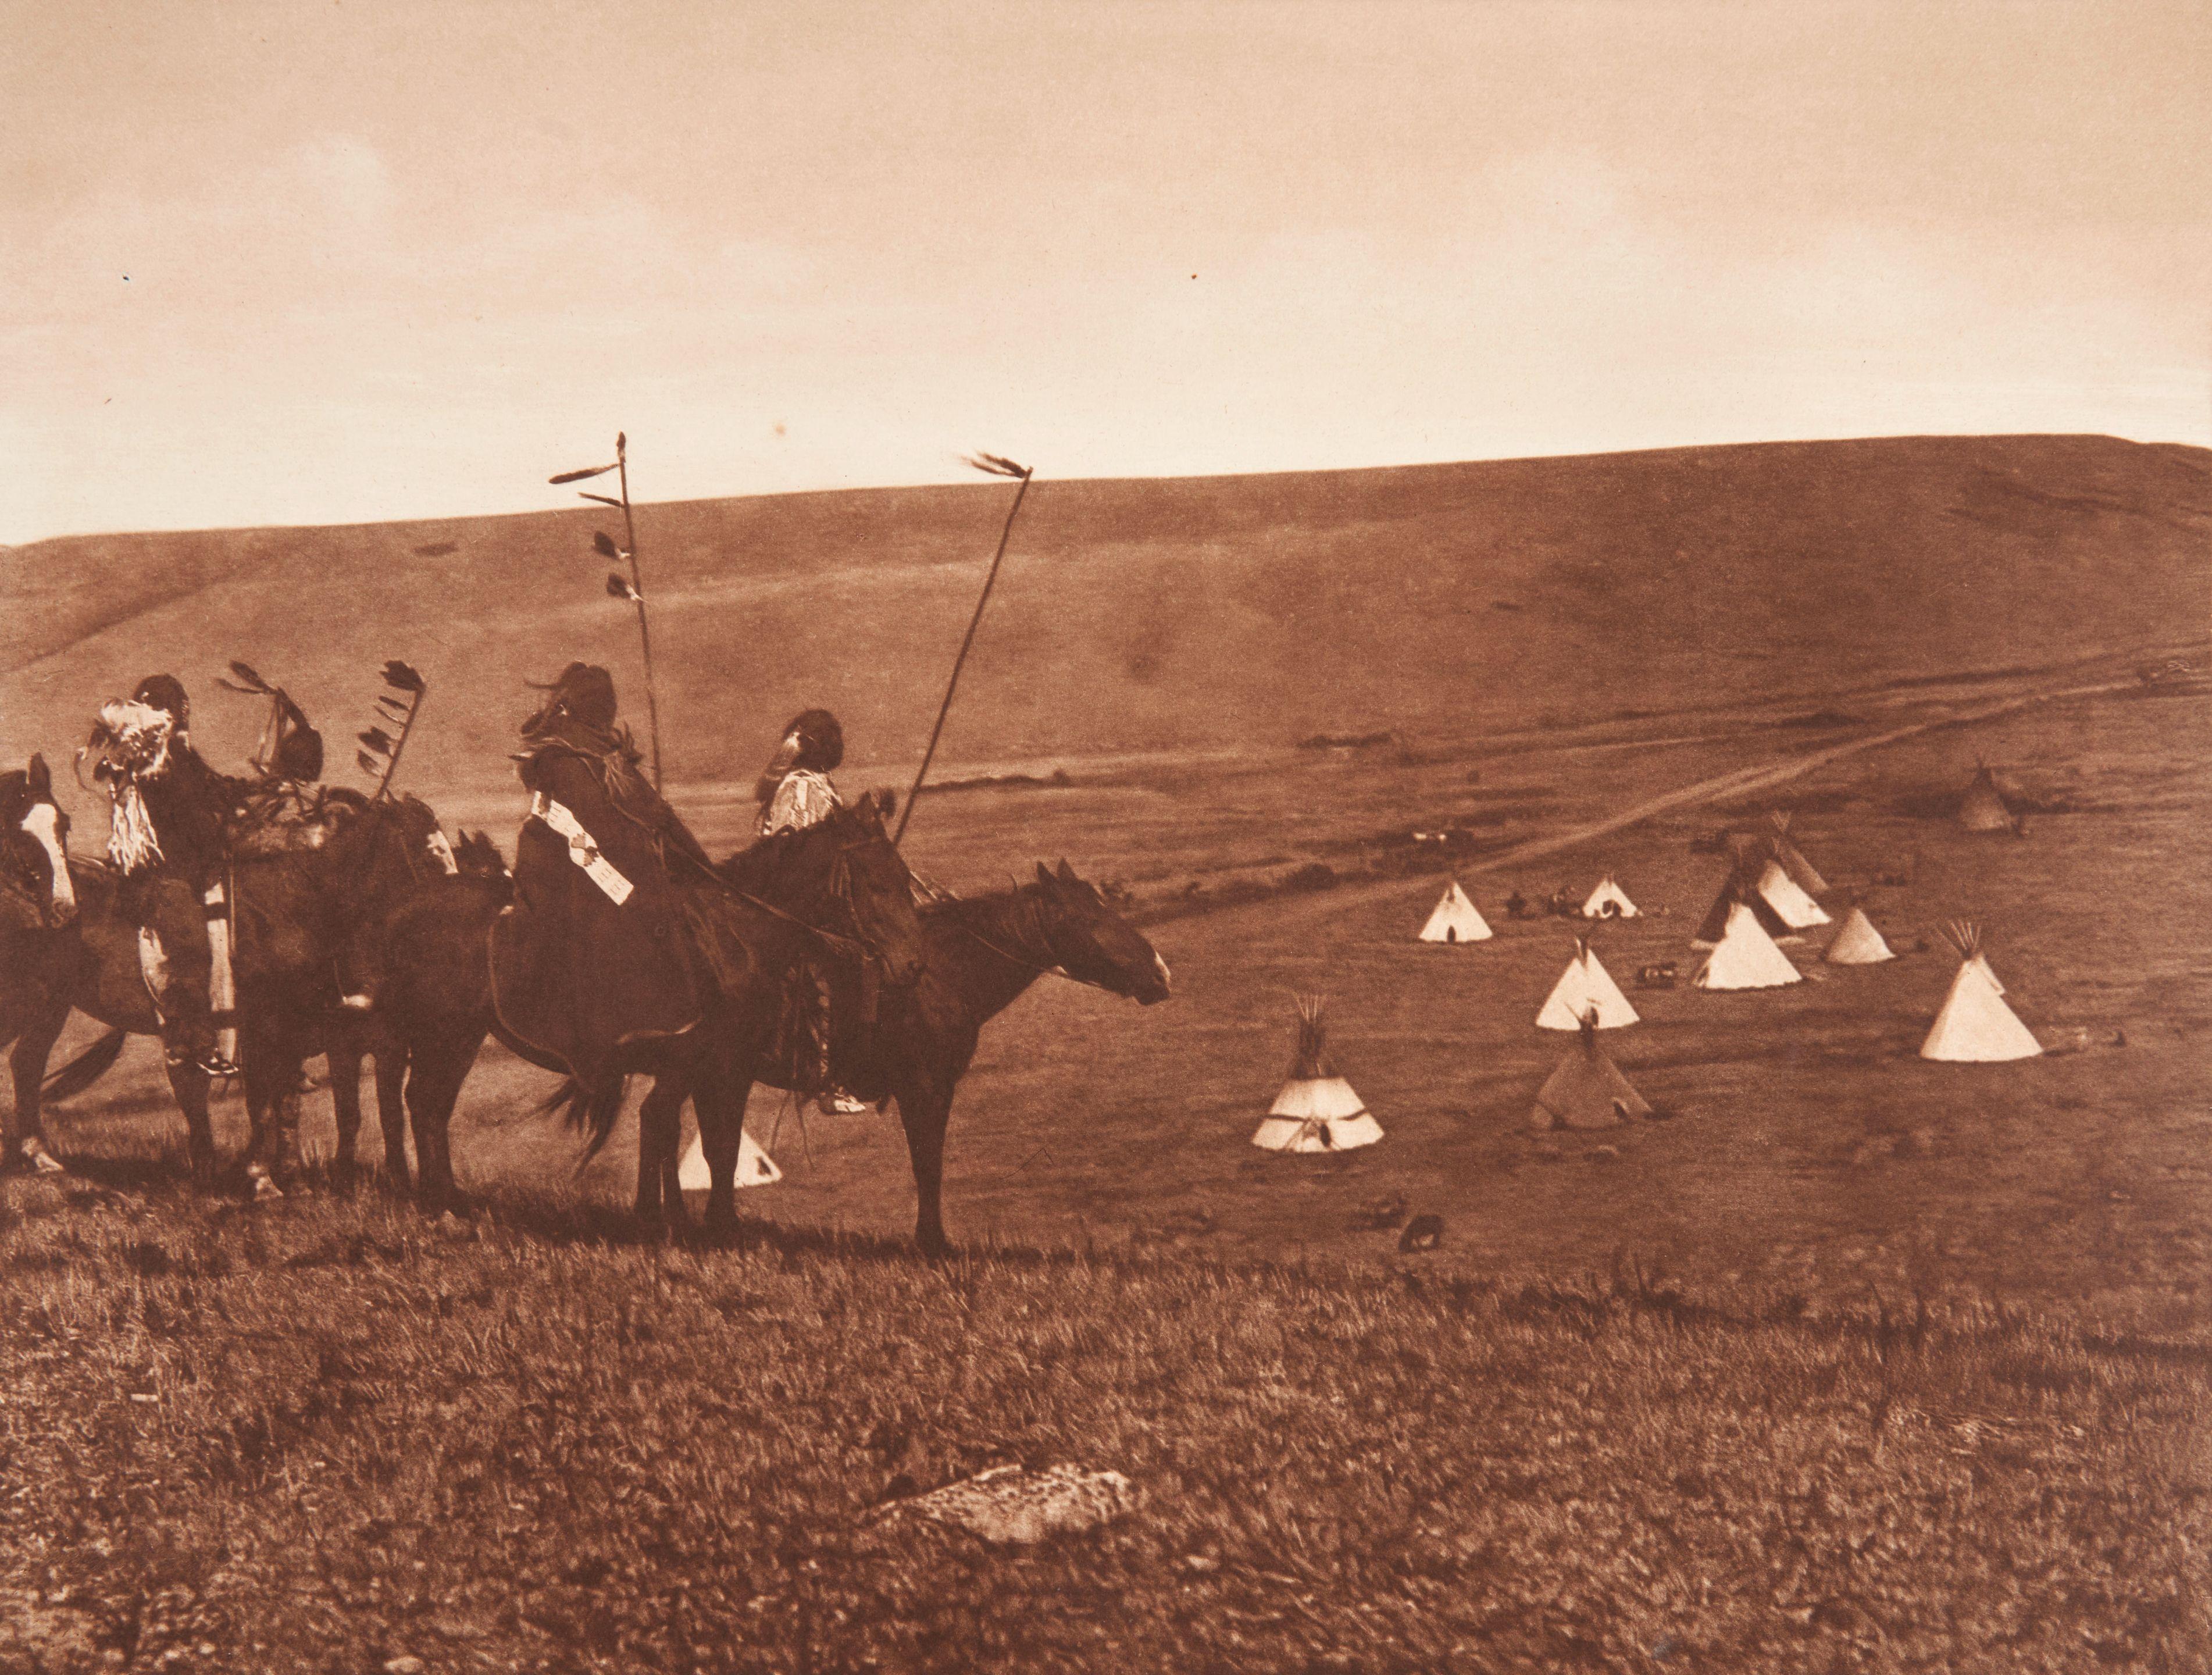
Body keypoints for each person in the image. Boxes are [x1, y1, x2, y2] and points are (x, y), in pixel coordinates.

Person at [87, 675, 245, 1076]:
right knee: (191, 947)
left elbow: (213, 786)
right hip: (159, 879)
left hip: (186, 872)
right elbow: (194, 818)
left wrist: (249, 791)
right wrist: (219, 835)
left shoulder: (176, 755)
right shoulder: (152, 766)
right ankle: (184, 1040)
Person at [753, 708, 866, 1113]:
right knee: (839, 972)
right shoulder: (802, 788)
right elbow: (798, 855)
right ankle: (828, 1080)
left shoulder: (812, 782)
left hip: (807, 901)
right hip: (799, 909)